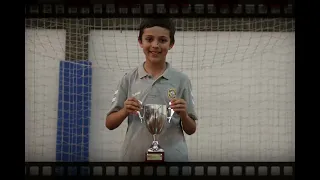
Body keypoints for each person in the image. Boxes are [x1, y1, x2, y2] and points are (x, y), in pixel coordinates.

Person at [105, 18, 198, 162]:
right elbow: (110, 123)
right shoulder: (128, 79)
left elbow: (191, 129)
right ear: (140, 42)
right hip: (134, 159)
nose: (155, 45)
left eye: (162, 40)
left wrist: (184, 115)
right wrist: (125, 110)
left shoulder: (182, 80)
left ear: (171, 44)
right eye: (149, 39)